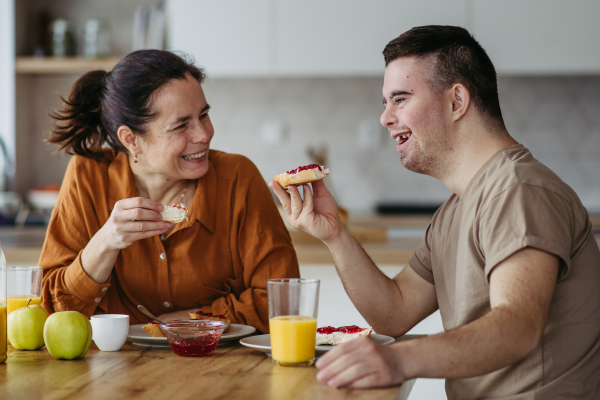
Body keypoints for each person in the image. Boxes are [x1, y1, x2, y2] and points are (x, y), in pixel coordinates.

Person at [270, 26, 600, 399]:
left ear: (456, 101)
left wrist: (399, 359)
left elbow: (517, 327)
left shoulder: (519, 190)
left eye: (400, 99)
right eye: (385, 102)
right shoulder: (455, 211)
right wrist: (334, 234)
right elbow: (393, 314)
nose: (385, 118)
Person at [40, 50, 300, 333]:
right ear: (132, 140)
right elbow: (53, 312)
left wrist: (181, 322)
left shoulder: (238, 179)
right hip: (113, 373)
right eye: (181, 125)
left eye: (204, 115)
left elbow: (282, 304)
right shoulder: (87, 176)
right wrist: (105, 242)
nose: (203, 135)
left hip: (226, 371)